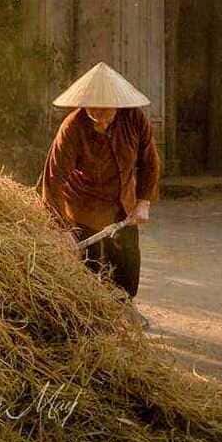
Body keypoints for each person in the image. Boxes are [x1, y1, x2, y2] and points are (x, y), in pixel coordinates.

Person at [38, 62, 160, 309]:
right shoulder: (72, 127)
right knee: (90, 267)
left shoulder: (135, 119)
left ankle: (125, 309)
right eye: (94, 114)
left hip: (122, 205)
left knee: (127, 264)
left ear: (118, 105)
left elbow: (149, 162)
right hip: (84, 207)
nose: (101, 121)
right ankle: (93, 314)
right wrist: (60, 228)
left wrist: (143, 201)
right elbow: (53, 180)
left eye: (106, 114)